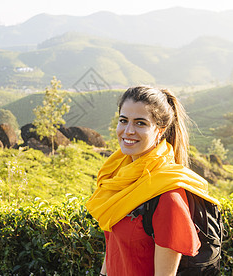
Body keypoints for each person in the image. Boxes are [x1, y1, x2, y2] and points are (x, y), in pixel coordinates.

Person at [85, 86, 220, 276]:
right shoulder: (117, 178)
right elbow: (114, 248)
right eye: (123, 121)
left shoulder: (167, 196)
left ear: (160, 130)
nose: (128, 131)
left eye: (140, 123)